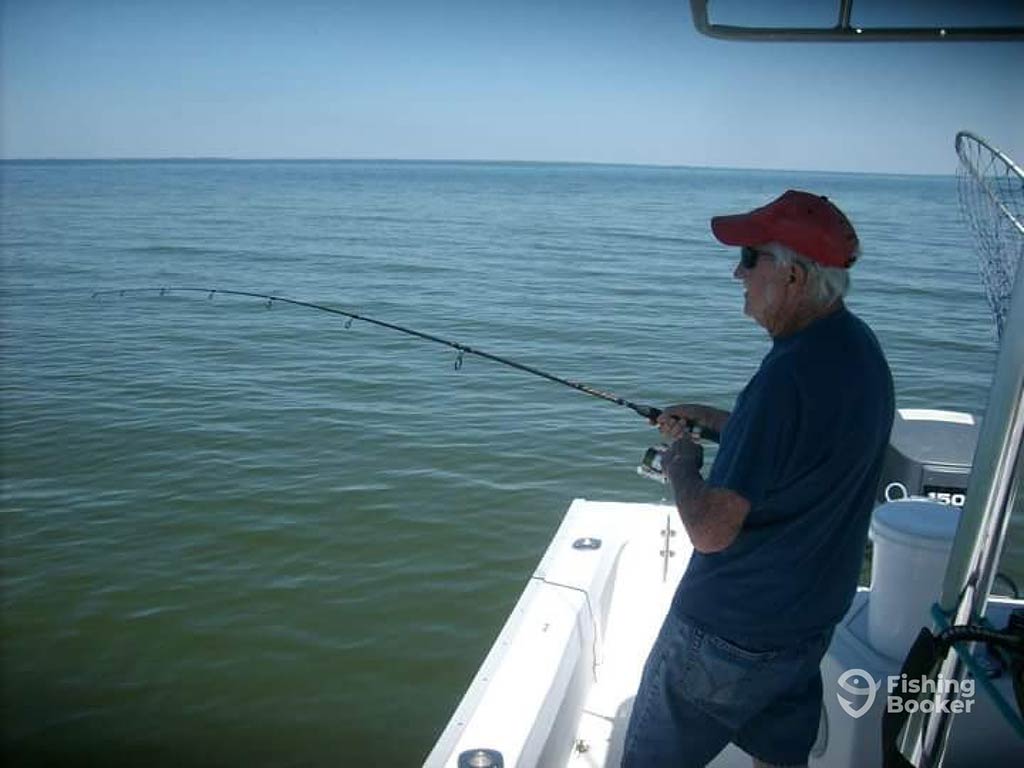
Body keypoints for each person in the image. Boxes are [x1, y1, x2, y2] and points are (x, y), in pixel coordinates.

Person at [622, 190, 895, 768]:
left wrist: (681, 464)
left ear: (792, 275)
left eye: (750, 259)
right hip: (805, 623)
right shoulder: (856, 350)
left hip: (730, 632)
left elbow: (711, 531)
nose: (736, 273)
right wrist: (719, 420)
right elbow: (805, 448)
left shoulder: (785, 378)